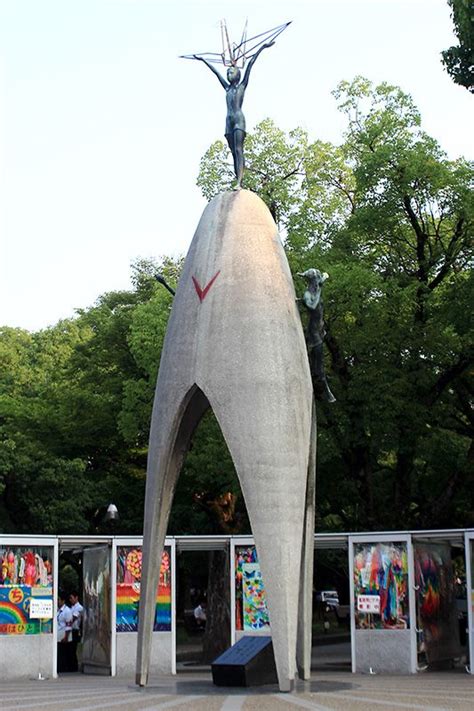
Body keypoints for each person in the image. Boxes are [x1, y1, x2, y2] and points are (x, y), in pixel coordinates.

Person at [193, 41, 274, 188]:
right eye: (228, 72)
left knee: (238, 150)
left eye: (231, 72)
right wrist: (203, 60)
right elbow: (216, 73)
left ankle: (239, 182)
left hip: (238, 120)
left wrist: (262, 47)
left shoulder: (242, 86)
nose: (229, 74)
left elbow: (250, 64)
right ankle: (237, 179)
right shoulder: (226, 88)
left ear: (238, 74)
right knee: (232, 153)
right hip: (228, 122)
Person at [57, 592, 73, 673]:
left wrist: (66, 637)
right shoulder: (58, 610)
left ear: (63, 601)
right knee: (60, 653)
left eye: (59, 600)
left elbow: (69, 625)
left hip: (64, 636)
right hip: (58, 636)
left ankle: (64, 668)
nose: (57, 601)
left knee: (64, 653)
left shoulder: (67, 611)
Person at [69, 590, 83, 672]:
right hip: (71, 630)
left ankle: (74, 667)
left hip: (75, 630)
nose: (70, 600)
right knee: (70, 649)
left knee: (73, 649)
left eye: (71, 598)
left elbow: (72, 619)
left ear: (76, 597)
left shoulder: (79, 608)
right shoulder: (72, 607)